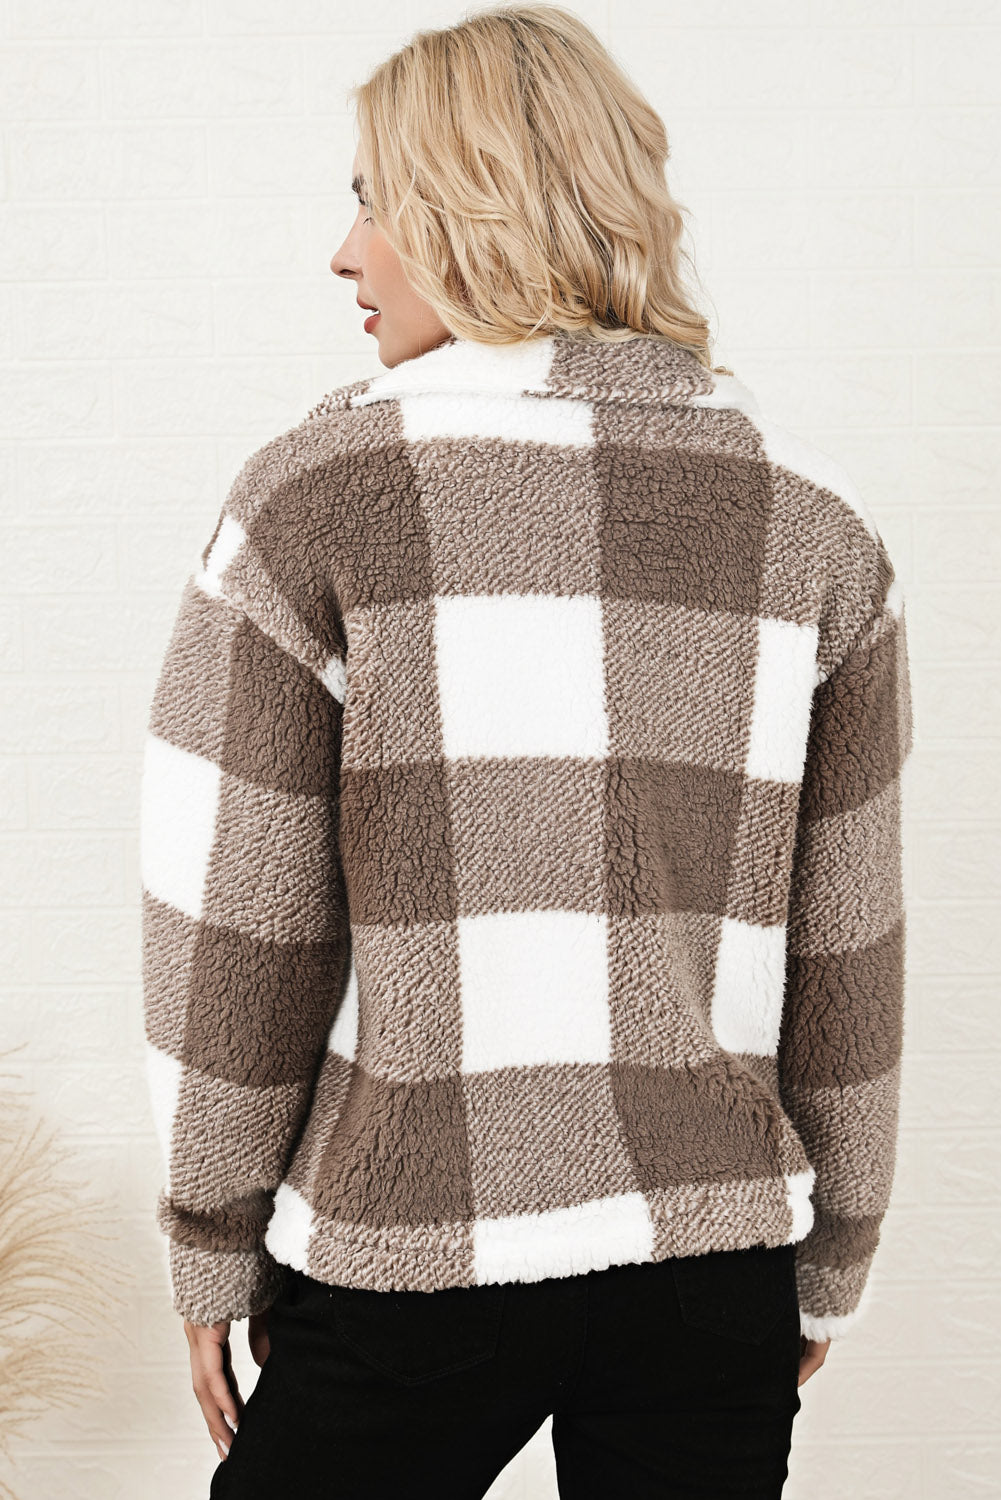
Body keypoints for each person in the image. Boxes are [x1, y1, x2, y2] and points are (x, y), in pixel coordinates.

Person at [139, 5, 914, 1496]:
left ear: (476, 204)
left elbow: (235, 926)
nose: (345, 252)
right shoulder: (813, 519)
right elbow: (849, 950)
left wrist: (211, 1239)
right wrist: (831, 1258)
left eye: (374, 200)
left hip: (413, 1249)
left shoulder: (318, 495)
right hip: (710, 1263)